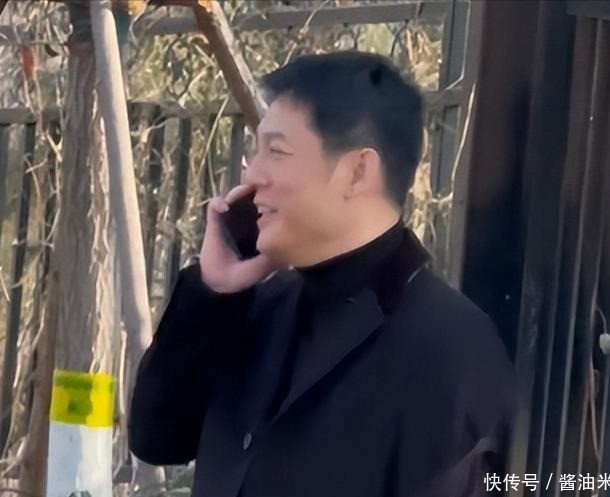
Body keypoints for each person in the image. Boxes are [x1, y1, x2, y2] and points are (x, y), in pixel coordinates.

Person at [129, 51, 515, 497]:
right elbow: (157, 439)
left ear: (357, 172)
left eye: (277, 151)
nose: (252, 174)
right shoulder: (258, 309)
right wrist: (213, 292)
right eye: (256, 151)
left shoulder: (450, 350)